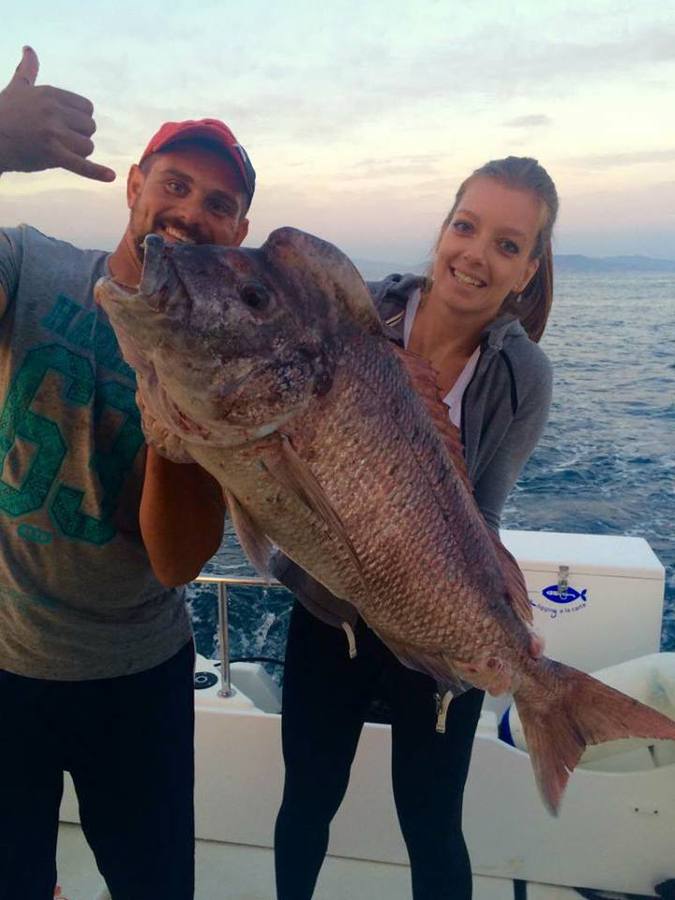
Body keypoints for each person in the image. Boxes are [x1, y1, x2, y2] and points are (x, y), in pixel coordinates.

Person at [0, 47, 255, 900]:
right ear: (133, 183)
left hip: (139, 678)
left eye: (219, 204)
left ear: (239, 235)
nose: (190, 212)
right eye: (175, 184)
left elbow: (177, 561)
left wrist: (179, 406)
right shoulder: (31, 270)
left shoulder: (231, 363)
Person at [271, 156, 558, 899]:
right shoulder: (359, 315)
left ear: (526, 271)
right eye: (465, 227)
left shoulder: (524, 376)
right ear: (442, 231)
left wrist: (501, 622)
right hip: (327, 611)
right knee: (307, 798)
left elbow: (481, 513)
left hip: (436, 624)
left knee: (430, 821)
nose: (475, 253)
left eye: (506, 244)